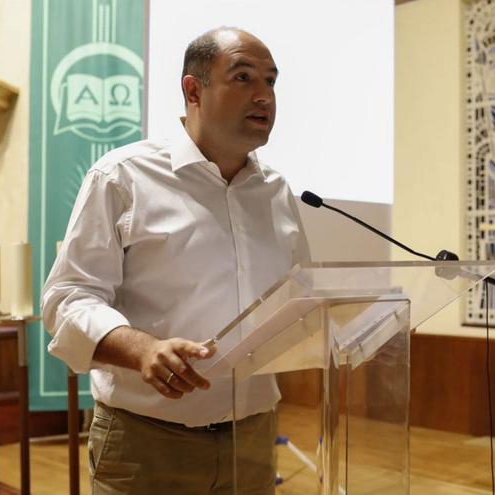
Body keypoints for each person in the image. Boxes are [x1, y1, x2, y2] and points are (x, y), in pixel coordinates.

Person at [41, 27, 309, 495]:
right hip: (146, 443)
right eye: (243, 78)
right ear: (193, 90)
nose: (264, 96)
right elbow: (66, 300)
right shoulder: (123, 177)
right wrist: (142, 349)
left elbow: (299, 301)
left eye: (271, 82)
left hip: (253, 440)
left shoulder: (278, 192)